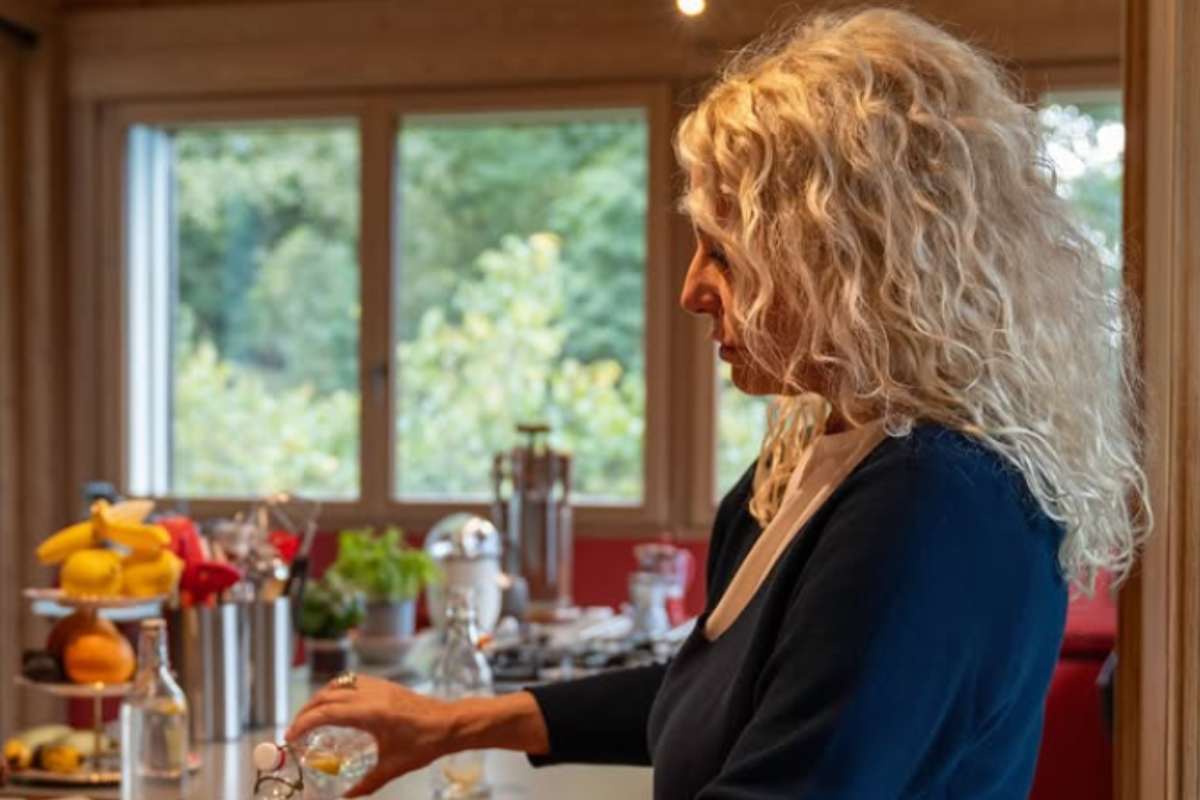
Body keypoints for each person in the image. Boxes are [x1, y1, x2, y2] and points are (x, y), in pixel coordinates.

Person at [286, 8, 1148, 798]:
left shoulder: (931, 498)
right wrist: (451, 725)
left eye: (725, 252)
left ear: (847, 257)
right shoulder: (829, 458)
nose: (693, 289)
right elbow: (726, 695)